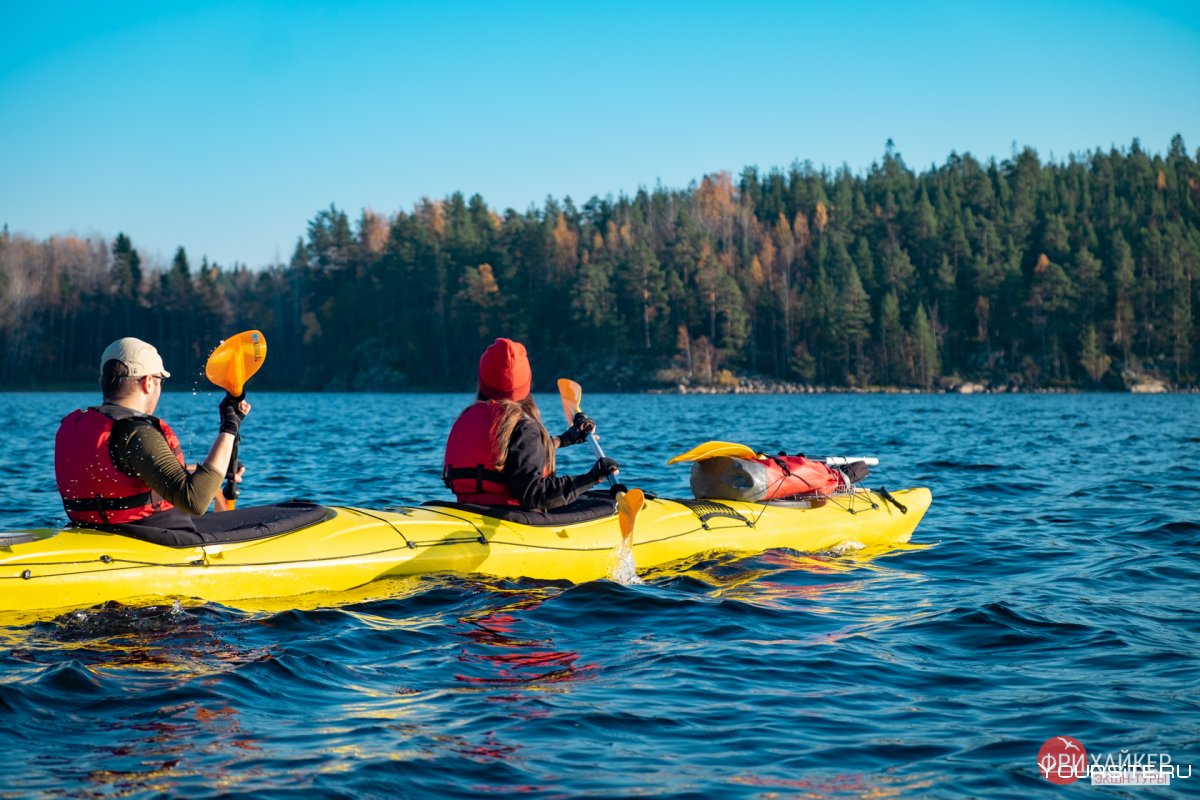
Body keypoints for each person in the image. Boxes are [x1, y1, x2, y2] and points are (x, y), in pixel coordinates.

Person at [54, 337, 250, 532]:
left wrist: (210, 471)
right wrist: (229, 428)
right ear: (148, 382)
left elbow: (129, 474)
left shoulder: (76, 427)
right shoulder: (136, 433)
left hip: (91, 532)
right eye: (160, 380)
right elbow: (196, 501)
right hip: (157, 539)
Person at [443, 337, 619, 511]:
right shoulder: (522, 427)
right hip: (511, 519)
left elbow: (513, 455)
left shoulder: (467, 419)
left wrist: (564, 439)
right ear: (525, 384)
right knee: (605, 503)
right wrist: (592, 477)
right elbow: (535, 495)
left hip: (467, 510)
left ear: (482, 381)